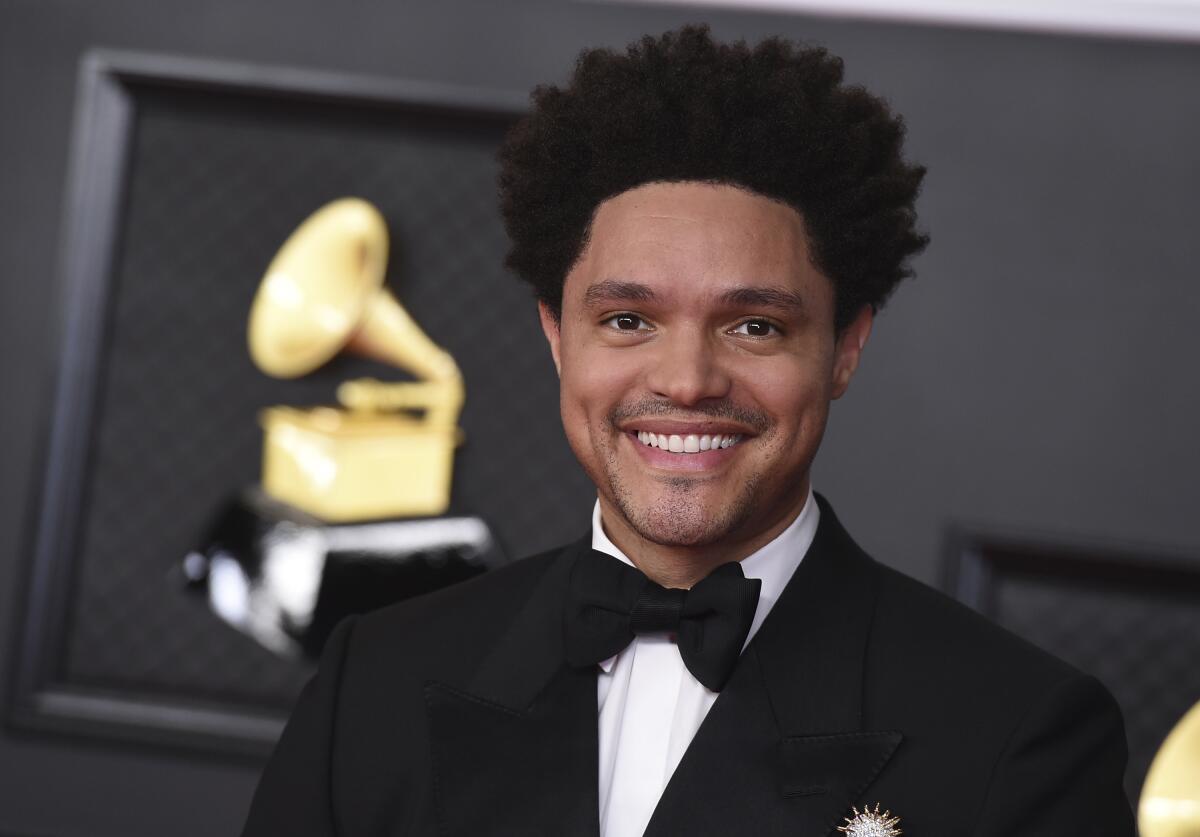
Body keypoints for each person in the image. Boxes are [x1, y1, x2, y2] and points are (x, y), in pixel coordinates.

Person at [242, 25, 1134, 836]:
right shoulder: (375, 680)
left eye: (755, 326)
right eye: (629, 320)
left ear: (846, 348)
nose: (685, 381)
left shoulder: (1022, 732)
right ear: (558, 338)